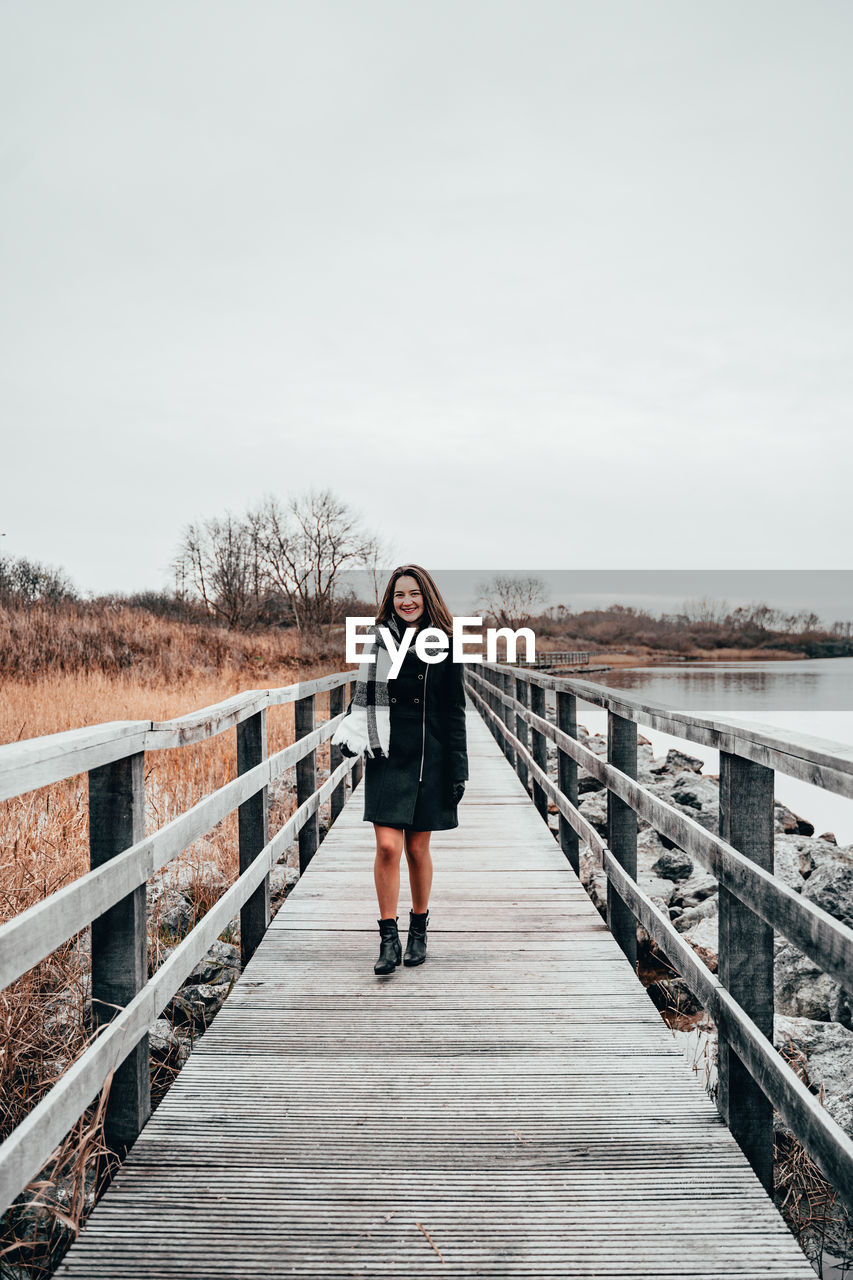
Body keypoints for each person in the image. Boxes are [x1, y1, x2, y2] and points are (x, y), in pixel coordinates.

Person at [331, 564, 468, 975]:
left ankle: (419, 930)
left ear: (427, 596)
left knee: (416, 848)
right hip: (387, 753)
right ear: (391, 601)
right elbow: (363, 697)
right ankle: (387, 938)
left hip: (431, 755)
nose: (406, 601)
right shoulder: (378, 642)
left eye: (414, 593)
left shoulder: (445, 643)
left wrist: (458, 768)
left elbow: (454, 709)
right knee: (388, 846)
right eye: (398, 595)